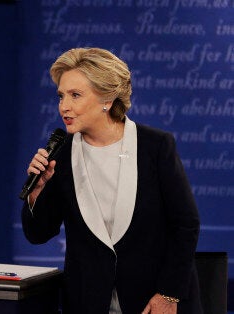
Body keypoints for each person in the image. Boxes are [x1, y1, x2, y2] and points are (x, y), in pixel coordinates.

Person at [21, 47, 202, 314]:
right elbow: (38, 234)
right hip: (89, 303)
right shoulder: (61, 153)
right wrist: (36, 191)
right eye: (61, 96)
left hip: (154, 304)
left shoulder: (155, 146)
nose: (64, 106)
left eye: (75, 95)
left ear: (107, 98)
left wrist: (169, 294)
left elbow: (186, 224)